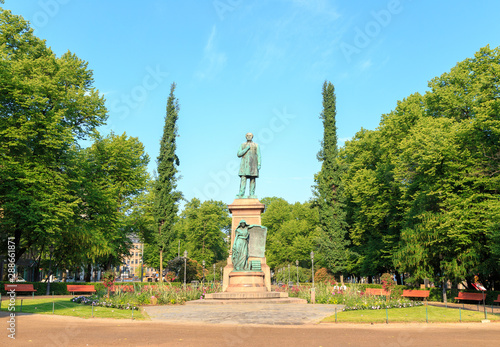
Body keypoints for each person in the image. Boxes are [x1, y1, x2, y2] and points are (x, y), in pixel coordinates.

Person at [236, 132, 261, 198]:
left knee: (252, 179)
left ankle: (252, 193)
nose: (249, 136)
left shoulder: (256, 145)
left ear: (252, 137)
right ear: (246, 137)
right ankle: (241, 193)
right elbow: (239, 154)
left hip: (253, 164)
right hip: (244, 164)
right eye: (247, 135)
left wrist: (259, 164)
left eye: (250, 135)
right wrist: (246, 148)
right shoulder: (243, 145)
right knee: (243, 178)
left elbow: (259, 155)